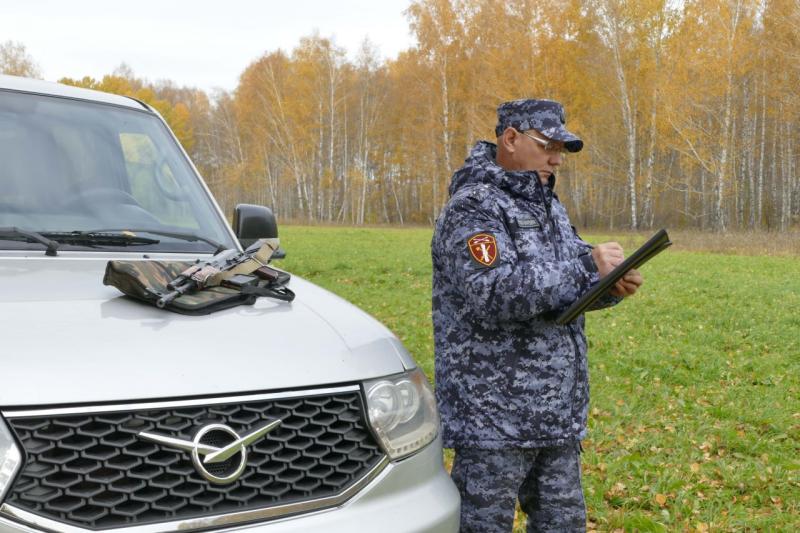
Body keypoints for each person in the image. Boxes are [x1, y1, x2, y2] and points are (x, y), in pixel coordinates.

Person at [431, 98, 643, 532]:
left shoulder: (548, 208)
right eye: (548, 145)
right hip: (493, 420)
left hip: (554, 417)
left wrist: (609, 288)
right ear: (510, 138)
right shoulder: (474, 209)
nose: (556, 159)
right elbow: (493, 293)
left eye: (562, 150)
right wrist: (587, 265)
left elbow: (560, 296)